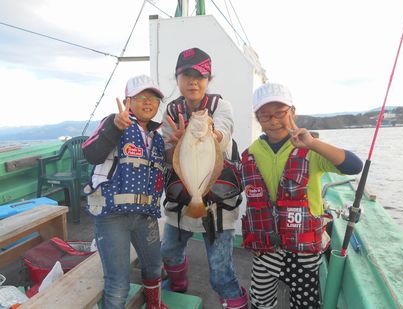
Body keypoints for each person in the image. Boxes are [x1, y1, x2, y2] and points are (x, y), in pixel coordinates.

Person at [241, 82, 363, 309]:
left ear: (293, 112)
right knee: (260, 300)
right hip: (266, 250)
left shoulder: (312, 150)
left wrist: (313, 143)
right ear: (257, 119)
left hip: (304, 252)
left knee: (305, 304)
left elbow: (354, 166)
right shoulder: (250, 154)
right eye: (265, 116)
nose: (274, 121)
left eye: (280, 113)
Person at [160, 47, 247, 308]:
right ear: (177, 79)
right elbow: (166, 155)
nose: (192, 81)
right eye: (185, 75)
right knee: (169, 252)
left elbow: (224, 131)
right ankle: (178, 283)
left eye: (200, 76)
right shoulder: (171, 110)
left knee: (220, 271)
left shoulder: (221, 106)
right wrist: (172, 144)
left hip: (217, 206)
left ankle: (234, 300)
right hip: (183, 200)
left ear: (209, 80)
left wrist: (212, 134)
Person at [82, 75, 168, 309]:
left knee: (154, 266)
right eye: (141, 97)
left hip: (145, 216)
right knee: (118, 282)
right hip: (112, 216)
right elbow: (91, 154)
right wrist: (115, 127)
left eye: (153, 98)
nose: (148, 102)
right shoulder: (113, 123)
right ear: (128, 101)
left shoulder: (157, 139)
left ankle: (154, 304)